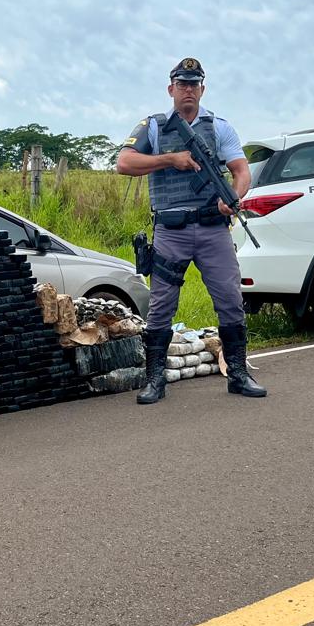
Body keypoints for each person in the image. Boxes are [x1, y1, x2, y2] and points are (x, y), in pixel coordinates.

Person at [116, 57, 267, 405]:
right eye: (182, 84)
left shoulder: (220, 128)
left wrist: (235, 196)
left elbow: (241, 171)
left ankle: (239, 373)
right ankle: (155, 379)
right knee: (161, 306)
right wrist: (170, 159)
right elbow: (124, 163)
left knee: (230, 300)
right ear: (171, 89)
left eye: (194, 84)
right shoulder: (154, 127)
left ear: (202, 88)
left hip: (213, 228)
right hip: (172, 229)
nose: (188, 90)